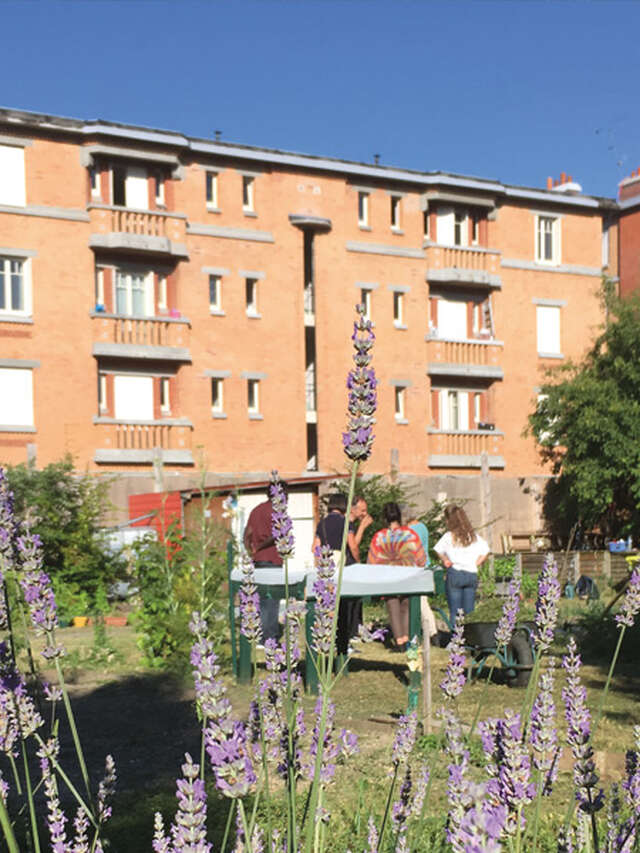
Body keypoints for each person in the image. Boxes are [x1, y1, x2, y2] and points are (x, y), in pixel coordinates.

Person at [367, 502, 426, 652]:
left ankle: (399, 642)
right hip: (408, 577)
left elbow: (371, 561)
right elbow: (421, 558)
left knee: (393, 606)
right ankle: (406, 639)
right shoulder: (411, 535)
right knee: (406, 607)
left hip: (389, 579)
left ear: (384, 518)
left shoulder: (379, 537)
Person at [313, 493, 361, 655]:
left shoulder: (322, 523)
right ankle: (342, 643)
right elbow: (352, 545)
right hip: (342, 566)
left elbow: (315, 547)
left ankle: (324, 641)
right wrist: (358, 561)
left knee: (327, 605)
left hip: (326, 565)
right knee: (343, 606)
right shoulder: (346, 522)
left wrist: (319, 565)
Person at [243, 486, 286, 642]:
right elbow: (277, 533)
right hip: (272, 559)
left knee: (261, 599)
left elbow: (247, 533)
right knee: (272, 600)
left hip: (258, 560)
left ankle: (261, 636)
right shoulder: (277, 511)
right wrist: (260, 547)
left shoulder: (256, 510)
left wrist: (250, 550)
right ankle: (270, 637)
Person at [434, 505, 489, 625]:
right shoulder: (472, 536)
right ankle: (469, 633)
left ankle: (456, 634)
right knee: (469, 612)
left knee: (455, 611)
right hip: (471, 574)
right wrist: (476, 563)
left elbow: (438, 549)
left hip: (455, 573)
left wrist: (445, 560)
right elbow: (485, 551)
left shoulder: (449, 536)